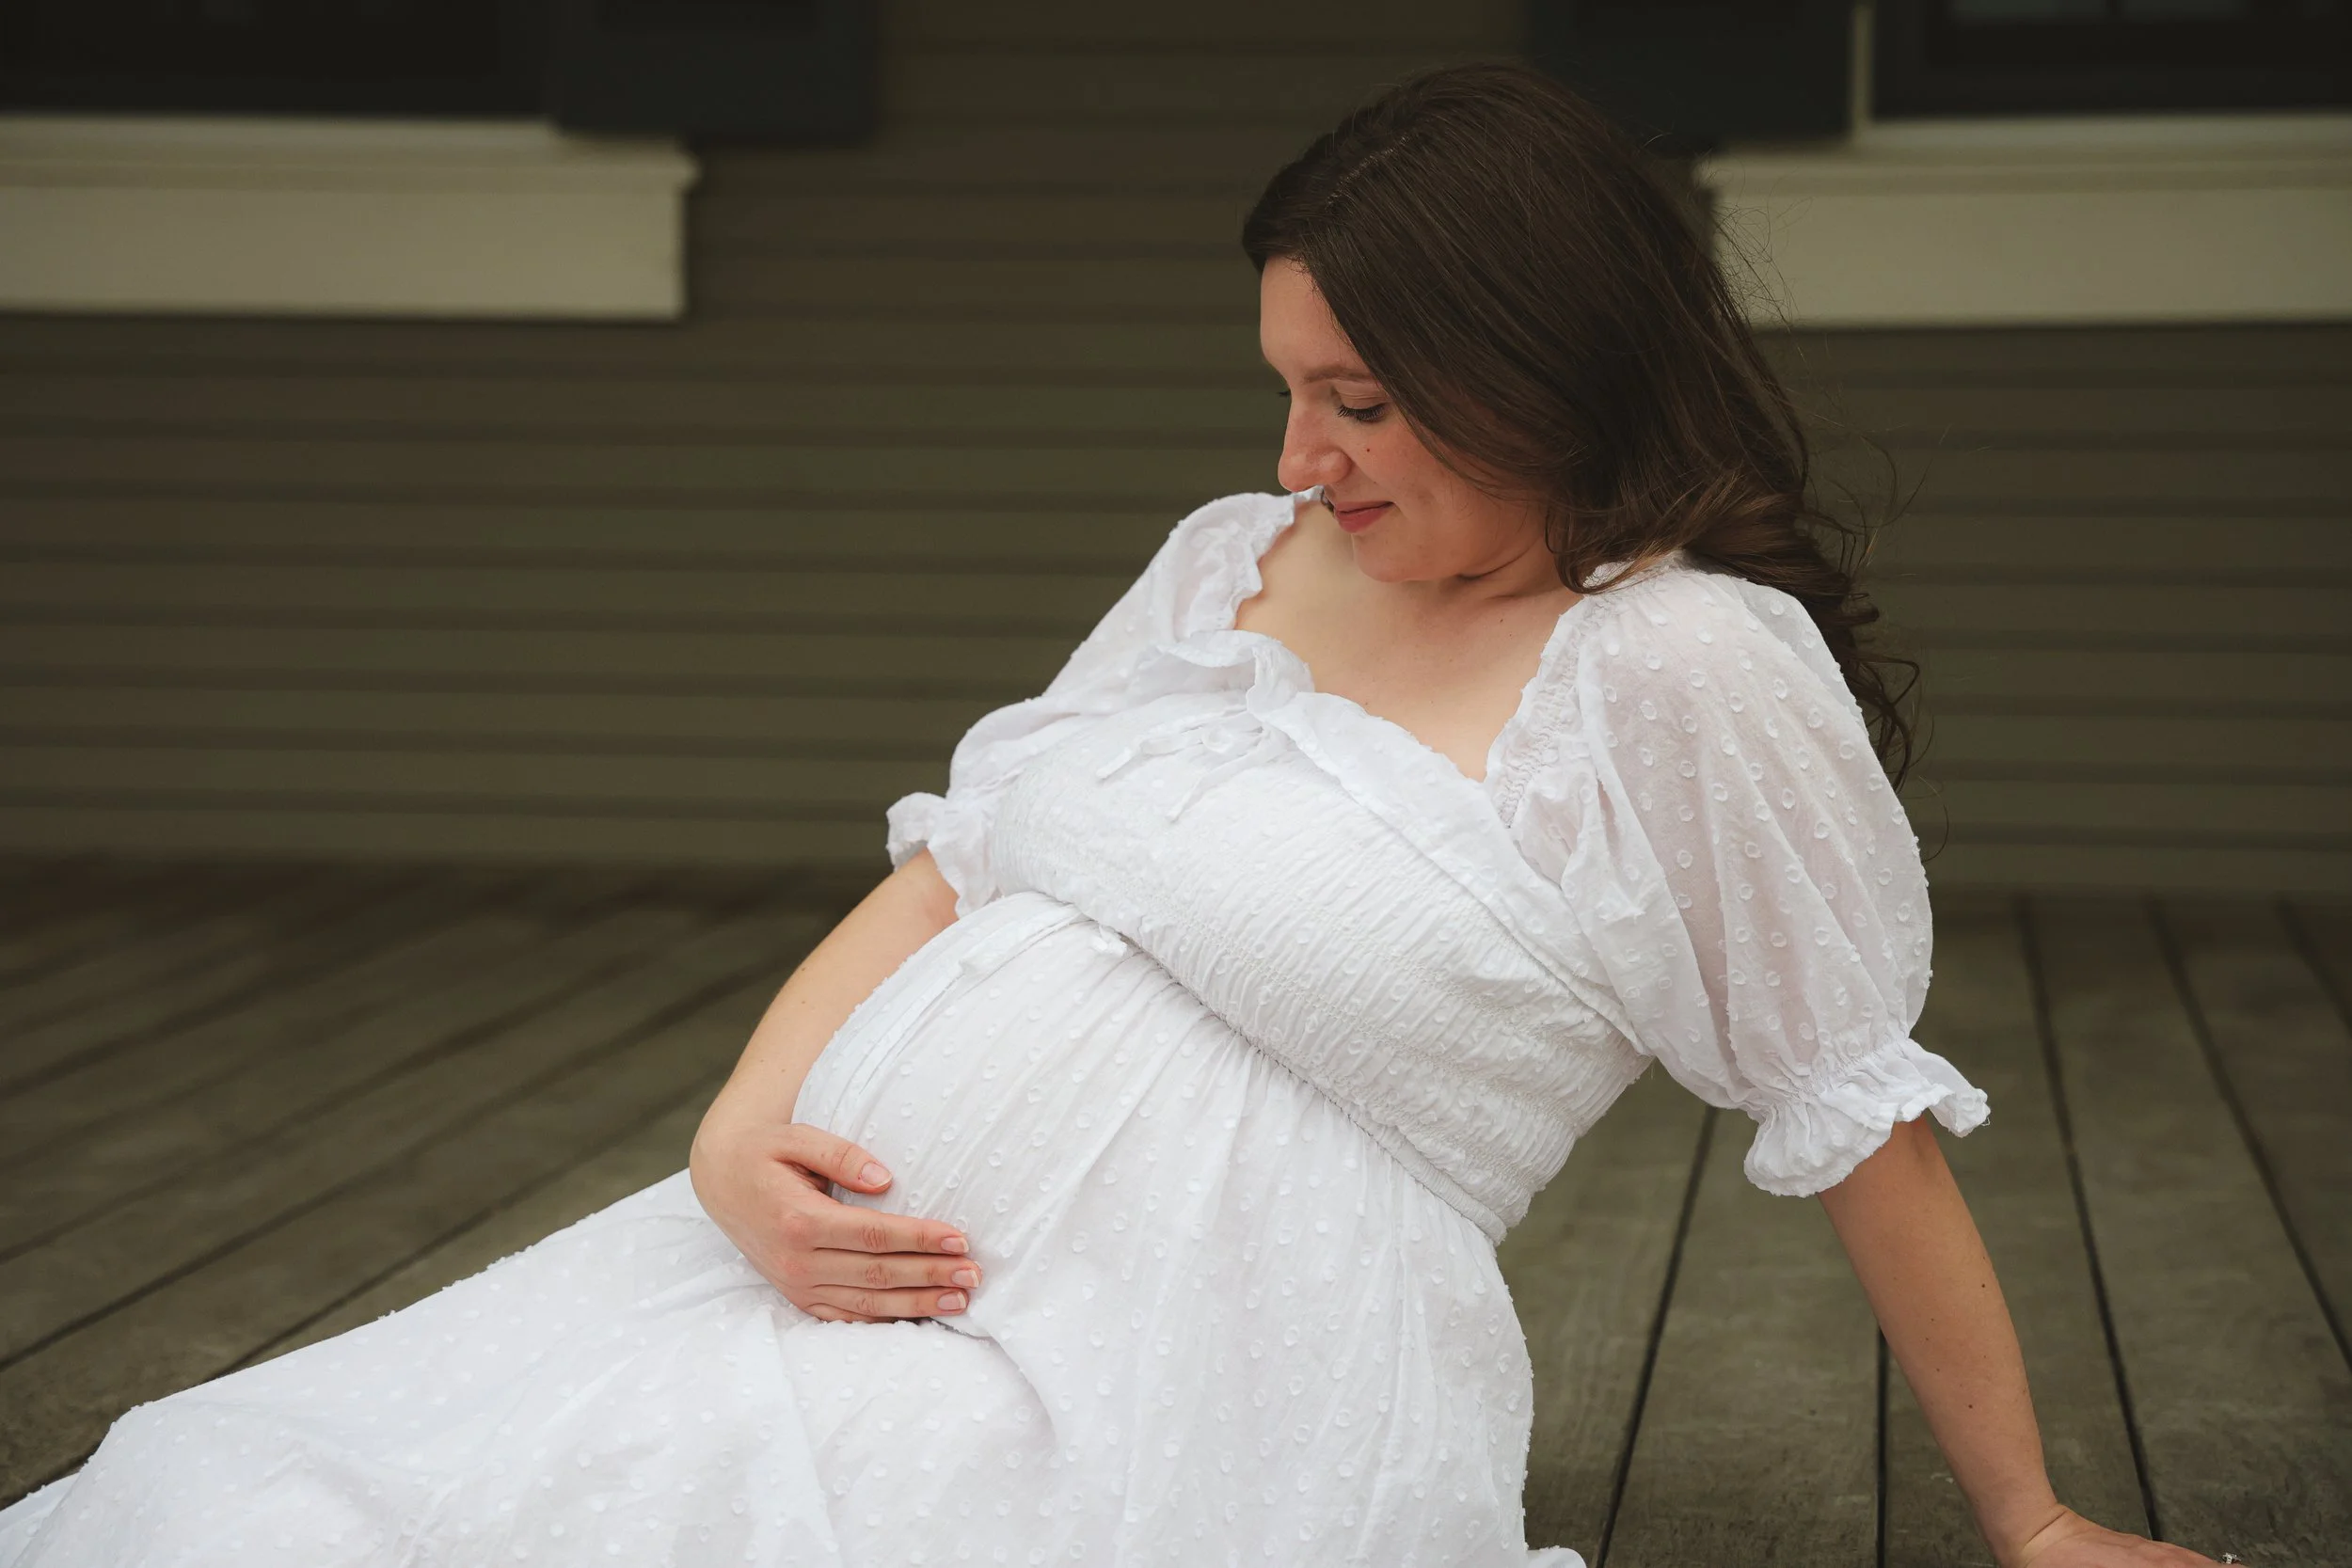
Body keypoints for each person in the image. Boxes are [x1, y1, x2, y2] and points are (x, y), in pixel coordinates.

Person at [0, 63, 2216, 1568]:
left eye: (1356, 398)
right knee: (245, 1493)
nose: (1297, 457)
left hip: (1185, 1350)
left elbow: (1849, 1102)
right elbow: (961, 852)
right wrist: (735, 1138)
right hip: (789, 1271)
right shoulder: (1221, 565)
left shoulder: (1686, 666)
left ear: (1540, 368)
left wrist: (2021, 1518)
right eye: (1281, 386)